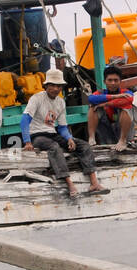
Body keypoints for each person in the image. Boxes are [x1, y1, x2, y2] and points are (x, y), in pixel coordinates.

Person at [21, 68, 106, 197]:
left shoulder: (60, 102)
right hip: (37, 135)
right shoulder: (36, 98)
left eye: (58, 86)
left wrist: (69, 138)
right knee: (54, 147)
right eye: (52, 85)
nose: (56, 88)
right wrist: (27, 141)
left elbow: (62, 127)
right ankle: (69, 182)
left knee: (83, 145)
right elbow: (24, 120)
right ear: (46, 86)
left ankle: (94, 182)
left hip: (52, 133)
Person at [87, 65, 135, 150]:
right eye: (110, 80)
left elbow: (129, 99)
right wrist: (115, 96)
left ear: (120, 81)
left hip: (124, 132)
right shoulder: (101, 93)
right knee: (93, 107)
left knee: (126, 108)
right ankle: (91, 138)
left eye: (116, 80)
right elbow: (91, 99)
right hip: (107, 132)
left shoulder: (126, 92)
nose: (113, 83)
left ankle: (122, 141)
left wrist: (106, 104)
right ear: (104, 81)